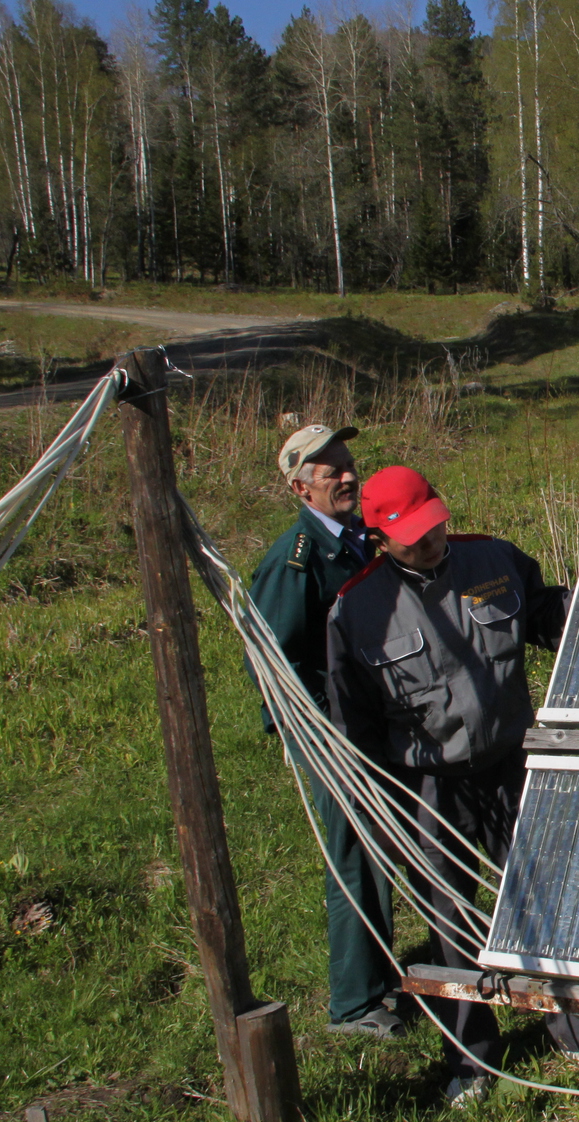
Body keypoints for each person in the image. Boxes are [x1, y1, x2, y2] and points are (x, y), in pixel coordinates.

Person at [325, 465, 579, 1104]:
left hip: (514, 762)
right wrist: (385, 806)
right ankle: (471, 1059)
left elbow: (544, 616)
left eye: (434, 528)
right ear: (379, 535)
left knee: (542, 895)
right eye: (411, 538)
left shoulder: (493, 558)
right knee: (450, 913)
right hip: (432, 783)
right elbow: (356, 724)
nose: (429, 543)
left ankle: (577, 1029)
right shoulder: (357, 610)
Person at [247, 423, 405, 1040]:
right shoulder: (297, 560)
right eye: (329, 471)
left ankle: (385, 975)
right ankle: (355, 1003)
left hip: (380, 721)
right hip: (334, 735)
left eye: (348, 463)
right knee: (355, 858)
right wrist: (321, 733)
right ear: (299, 488)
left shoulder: (362, 539)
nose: (347, 476)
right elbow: (272, 660)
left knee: (384, 847)